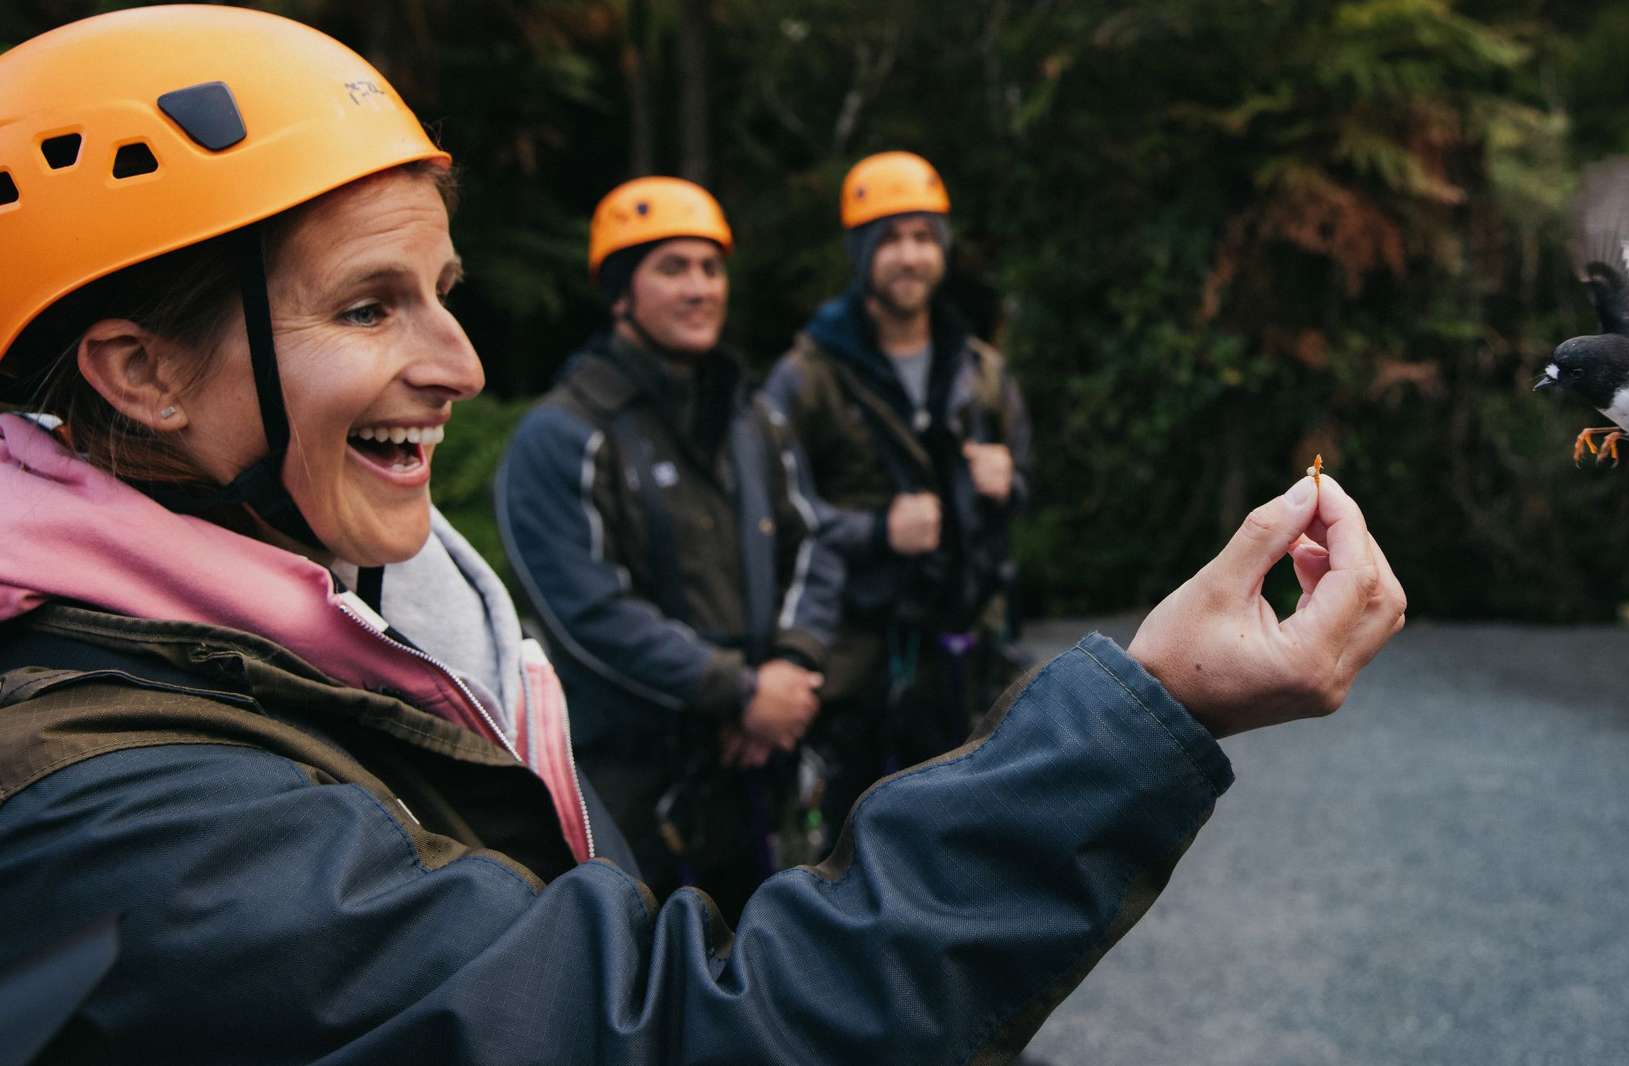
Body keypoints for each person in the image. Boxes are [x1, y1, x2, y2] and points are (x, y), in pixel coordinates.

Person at [0, 7, 1406, 1061]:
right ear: (140, 372)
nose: (463, 360)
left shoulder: (389, 609)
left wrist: (804, 656)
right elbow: (674, 1022)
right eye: (370, 305)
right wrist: (1138, 709)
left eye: (443, 288)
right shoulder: (118, 809)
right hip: (671, 741)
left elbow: (800, 539)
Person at [496, 177, 840, 913]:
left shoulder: (754, 420)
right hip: (628, 793)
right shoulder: (560, 437)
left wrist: (791, 666)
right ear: (621, 293)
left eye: (711, 268)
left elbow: (816, 547)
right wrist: (741, 694)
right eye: (673, 268)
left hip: (753, 773)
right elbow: (585, 613)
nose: (700, 288)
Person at [765, 151, 1034, 851]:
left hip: (964, 653)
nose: (908, 256)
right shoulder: (807, 377)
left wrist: (1008, 484)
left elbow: (1023, 492)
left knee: (966, 844)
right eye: (888, 239)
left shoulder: (980, 371)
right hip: (856, 665)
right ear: (860, 254)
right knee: (857, 849)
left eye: (922, 236)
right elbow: (767, 517)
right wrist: (879, 529)